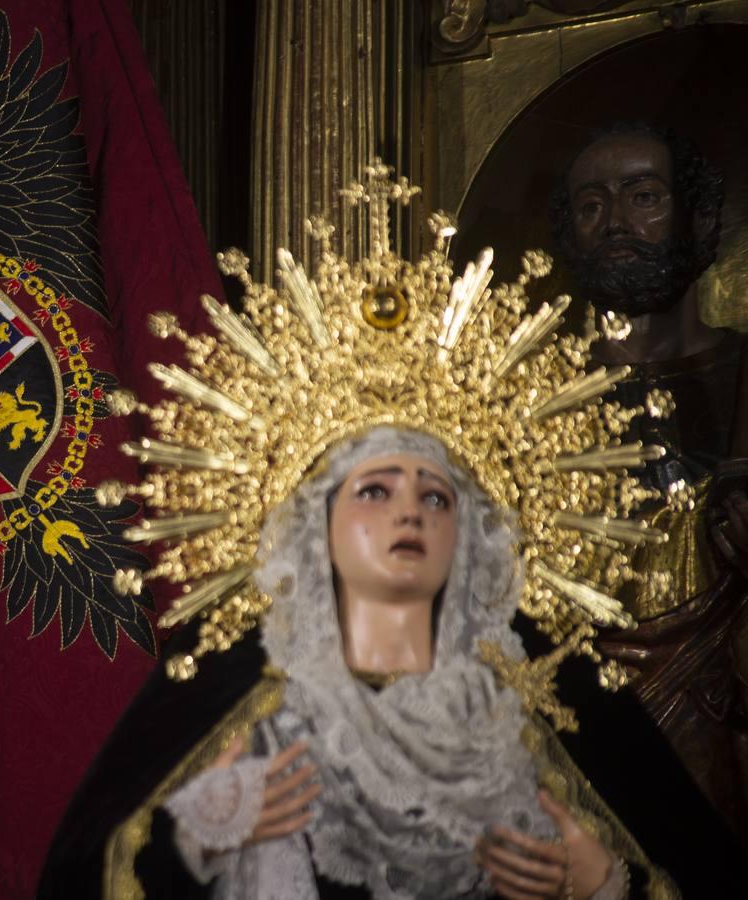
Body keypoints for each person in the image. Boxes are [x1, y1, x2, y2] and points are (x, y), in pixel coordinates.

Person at [39, 427, 659, 899]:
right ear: (319, 521)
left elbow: (686, 860)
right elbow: (91, 870)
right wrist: (197, 837)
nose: (410, 513)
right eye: (375, 491)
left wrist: (604, 880)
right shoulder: (237, 685)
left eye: (437, 497)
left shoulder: (544, 688)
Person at [548, 123, 748, 843]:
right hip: (584, 736)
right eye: (592, 205)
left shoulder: (742, 374)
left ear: (694, 216)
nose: (617, 223)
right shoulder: (533, 403)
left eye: (644, 196)